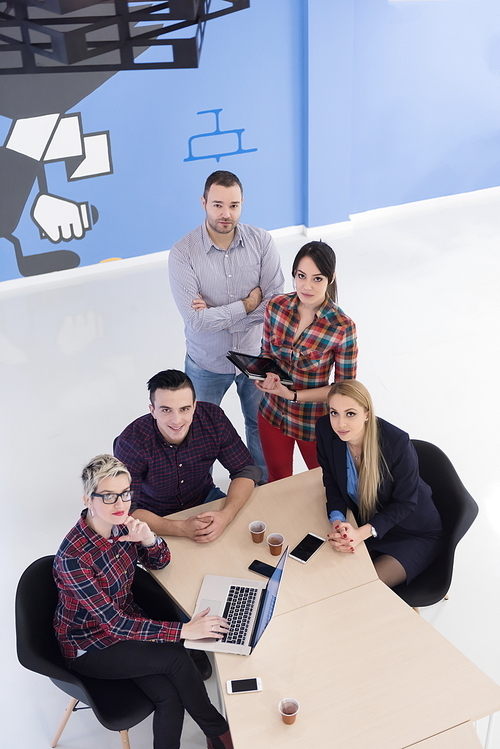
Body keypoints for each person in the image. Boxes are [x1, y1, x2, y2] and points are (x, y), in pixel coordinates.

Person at [53, 454, 233, 749]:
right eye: (108, 497)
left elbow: (159, 562)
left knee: (169, 698)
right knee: (176, 656)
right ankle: (220, 732)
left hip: (126, 626)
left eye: (125, 494)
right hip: (89, 645)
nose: (120, 504)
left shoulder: (122, 525)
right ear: (88, 499)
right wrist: (183, 631)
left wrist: (149, 539)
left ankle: (216, 735)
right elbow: (113, 624)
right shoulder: (74, 559)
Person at [168, 170, 284, 482]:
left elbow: (274, 306)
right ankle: (198, 490)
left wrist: (218, 313)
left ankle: (262, 485)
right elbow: (196, 321)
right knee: (199, 435)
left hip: (254, 356)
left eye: (233, 205)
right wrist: (247, 304)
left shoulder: (262, 242)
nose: (226, 213)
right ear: (203, 202)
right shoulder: (183, 253)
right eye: (218, 205)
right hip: (206, 362)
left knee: (259, 426)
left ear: (242, 203)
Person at [316, 380, 443, 588]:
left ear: (367, 414)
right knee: (330, 578)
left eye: (350, 413)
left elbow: (404, 503)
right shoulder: (325, 430)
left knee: (364, 590)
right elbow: (331, 479)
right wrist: (338, 520)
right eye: (334, 413)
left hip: (411, 530)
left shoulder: (396, 442)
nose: (340, 424)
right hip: (365, 520)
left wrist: (361, 533)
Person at [114, 369, 261, 542]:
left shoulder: (213, 419)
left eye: (184, 409)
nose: (177, 420)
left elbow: (245, 470)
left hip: (204, 497)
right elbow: (126, 507)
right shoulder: (131, 442)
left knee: (247, 536)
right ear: (152, 410)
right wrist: (180, 528)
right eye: (166, 410)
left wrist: (226, 515)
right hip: (153, 514)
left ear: (194, 406)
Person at [255, 240, 357, 482]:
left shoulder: (342, 327)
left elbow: (344, 391)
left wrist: (292, 395)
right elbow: (265, 354)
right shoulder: (276, 306)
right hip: (272, 414)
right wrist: (264, 375)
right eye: (301, 276)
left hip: (313, 423)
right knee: (277, 480)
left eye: (317, 278)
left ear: (331, 278)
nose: (307, 286)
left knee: (324, 482)